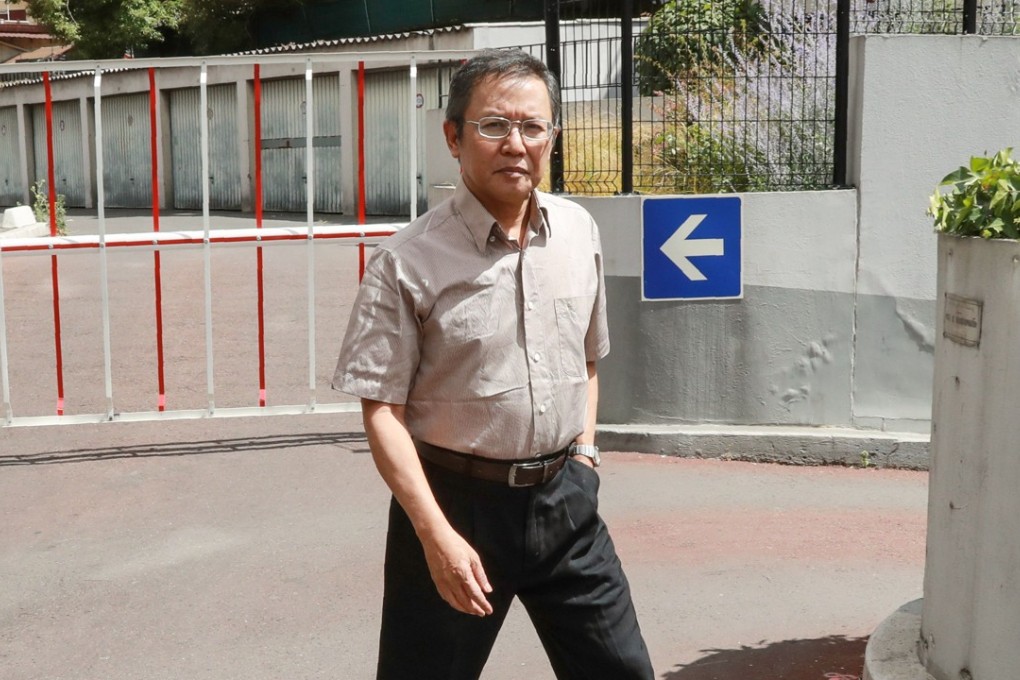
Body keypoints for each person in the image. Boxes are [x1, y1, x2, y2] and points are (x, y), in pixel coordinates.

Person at [333, 49, 654, 680]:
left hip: (567, 504)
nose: (516, 144)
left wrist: (585, 459)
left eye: (533, 127)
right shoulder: (406, 263)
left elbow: (587, 359)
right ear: (453, 137)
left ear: (552, 139)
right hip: (457, 509)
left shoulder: (577, 231)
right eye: (493, 126)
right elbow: (383, 413)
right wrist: (436, 535)